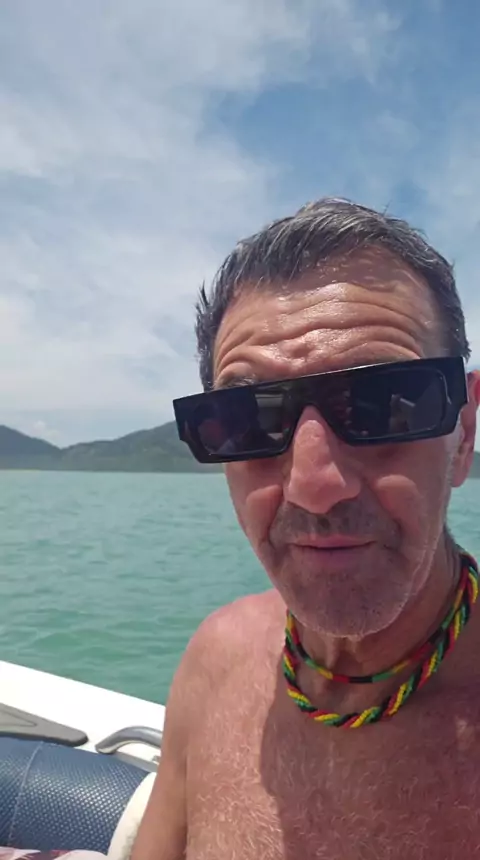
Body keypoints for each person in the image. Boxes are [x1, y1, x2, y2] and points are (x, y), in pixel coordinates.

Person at [132, 198, 480, 860]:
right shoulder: (216, 661)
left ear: (462, 435)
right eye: (251, 418)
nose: (314, 485)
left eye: (382, 405)